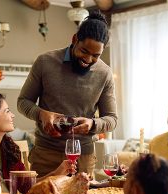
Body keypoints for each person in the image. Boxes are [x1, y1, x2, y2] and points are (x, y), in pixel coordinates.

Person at [17, 10, 117, 177]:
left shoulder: (105, 73)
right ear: (74, 39)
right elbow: (23, 102)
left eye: (96, 56)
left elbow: (112, 119)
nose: (88, 60)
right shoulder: (45, 62)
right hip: (46, 155)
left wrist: (92, 124)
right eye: (84, 51)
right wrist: (41, 114)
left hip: (82, 158)